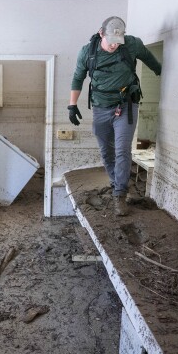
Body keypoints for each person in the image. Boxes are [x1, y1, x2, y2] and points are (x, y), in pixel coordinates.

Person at [67, 16, 162, 216]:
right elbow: (78, 77)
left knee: (122, 150)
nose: (113, 46)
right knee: (106, 151)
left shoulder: (132, 44)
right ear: (101, 33)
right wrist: (72, 105)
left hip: (126, 105)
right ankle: (116, 182)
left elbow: (151, 61)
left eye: (117, 42)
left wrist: (164, 73)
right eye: (110, 41)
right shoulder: (87, 52)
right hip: (101, 108)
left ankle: (119, 195)